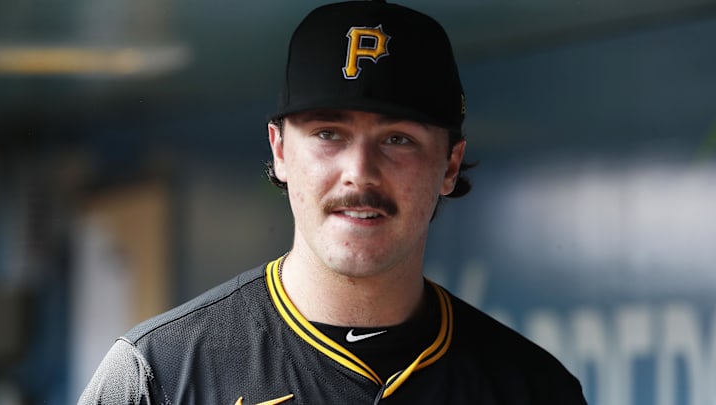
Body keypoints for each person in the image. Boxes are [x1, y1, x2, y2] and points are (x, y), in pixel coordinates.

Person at [79, 1, 588, 404]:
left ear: (450, 166)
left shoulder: (533, 388)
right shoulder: (159, 375)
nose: (359, 173)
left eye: (398, 140)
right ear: (279, 150)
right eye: (328, 134)